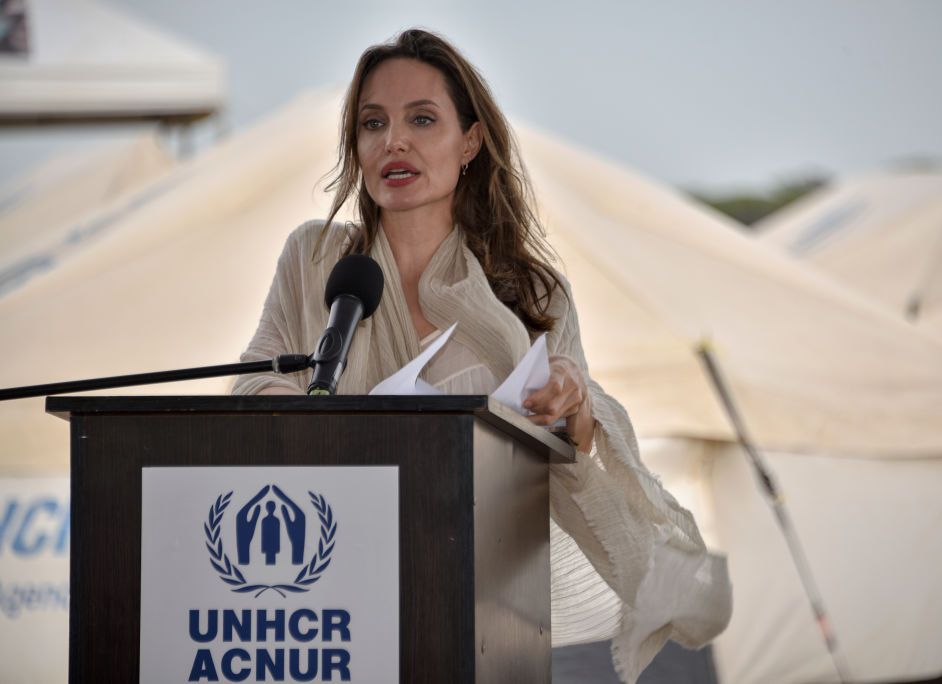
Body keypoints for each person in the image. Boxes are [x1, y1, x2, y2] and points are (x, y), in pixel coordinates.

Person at [232, 28, 731, 683]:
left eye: (422, 119)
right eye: (372, 123)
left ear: (469, 142)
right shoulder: (317, 258)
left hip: (480, 614)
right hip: (325, 607)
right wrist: (302, 411)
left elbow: (572, 470)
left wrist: (572, 407)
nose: (394, 142)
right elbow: (249, 385)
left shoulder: (534, 294)